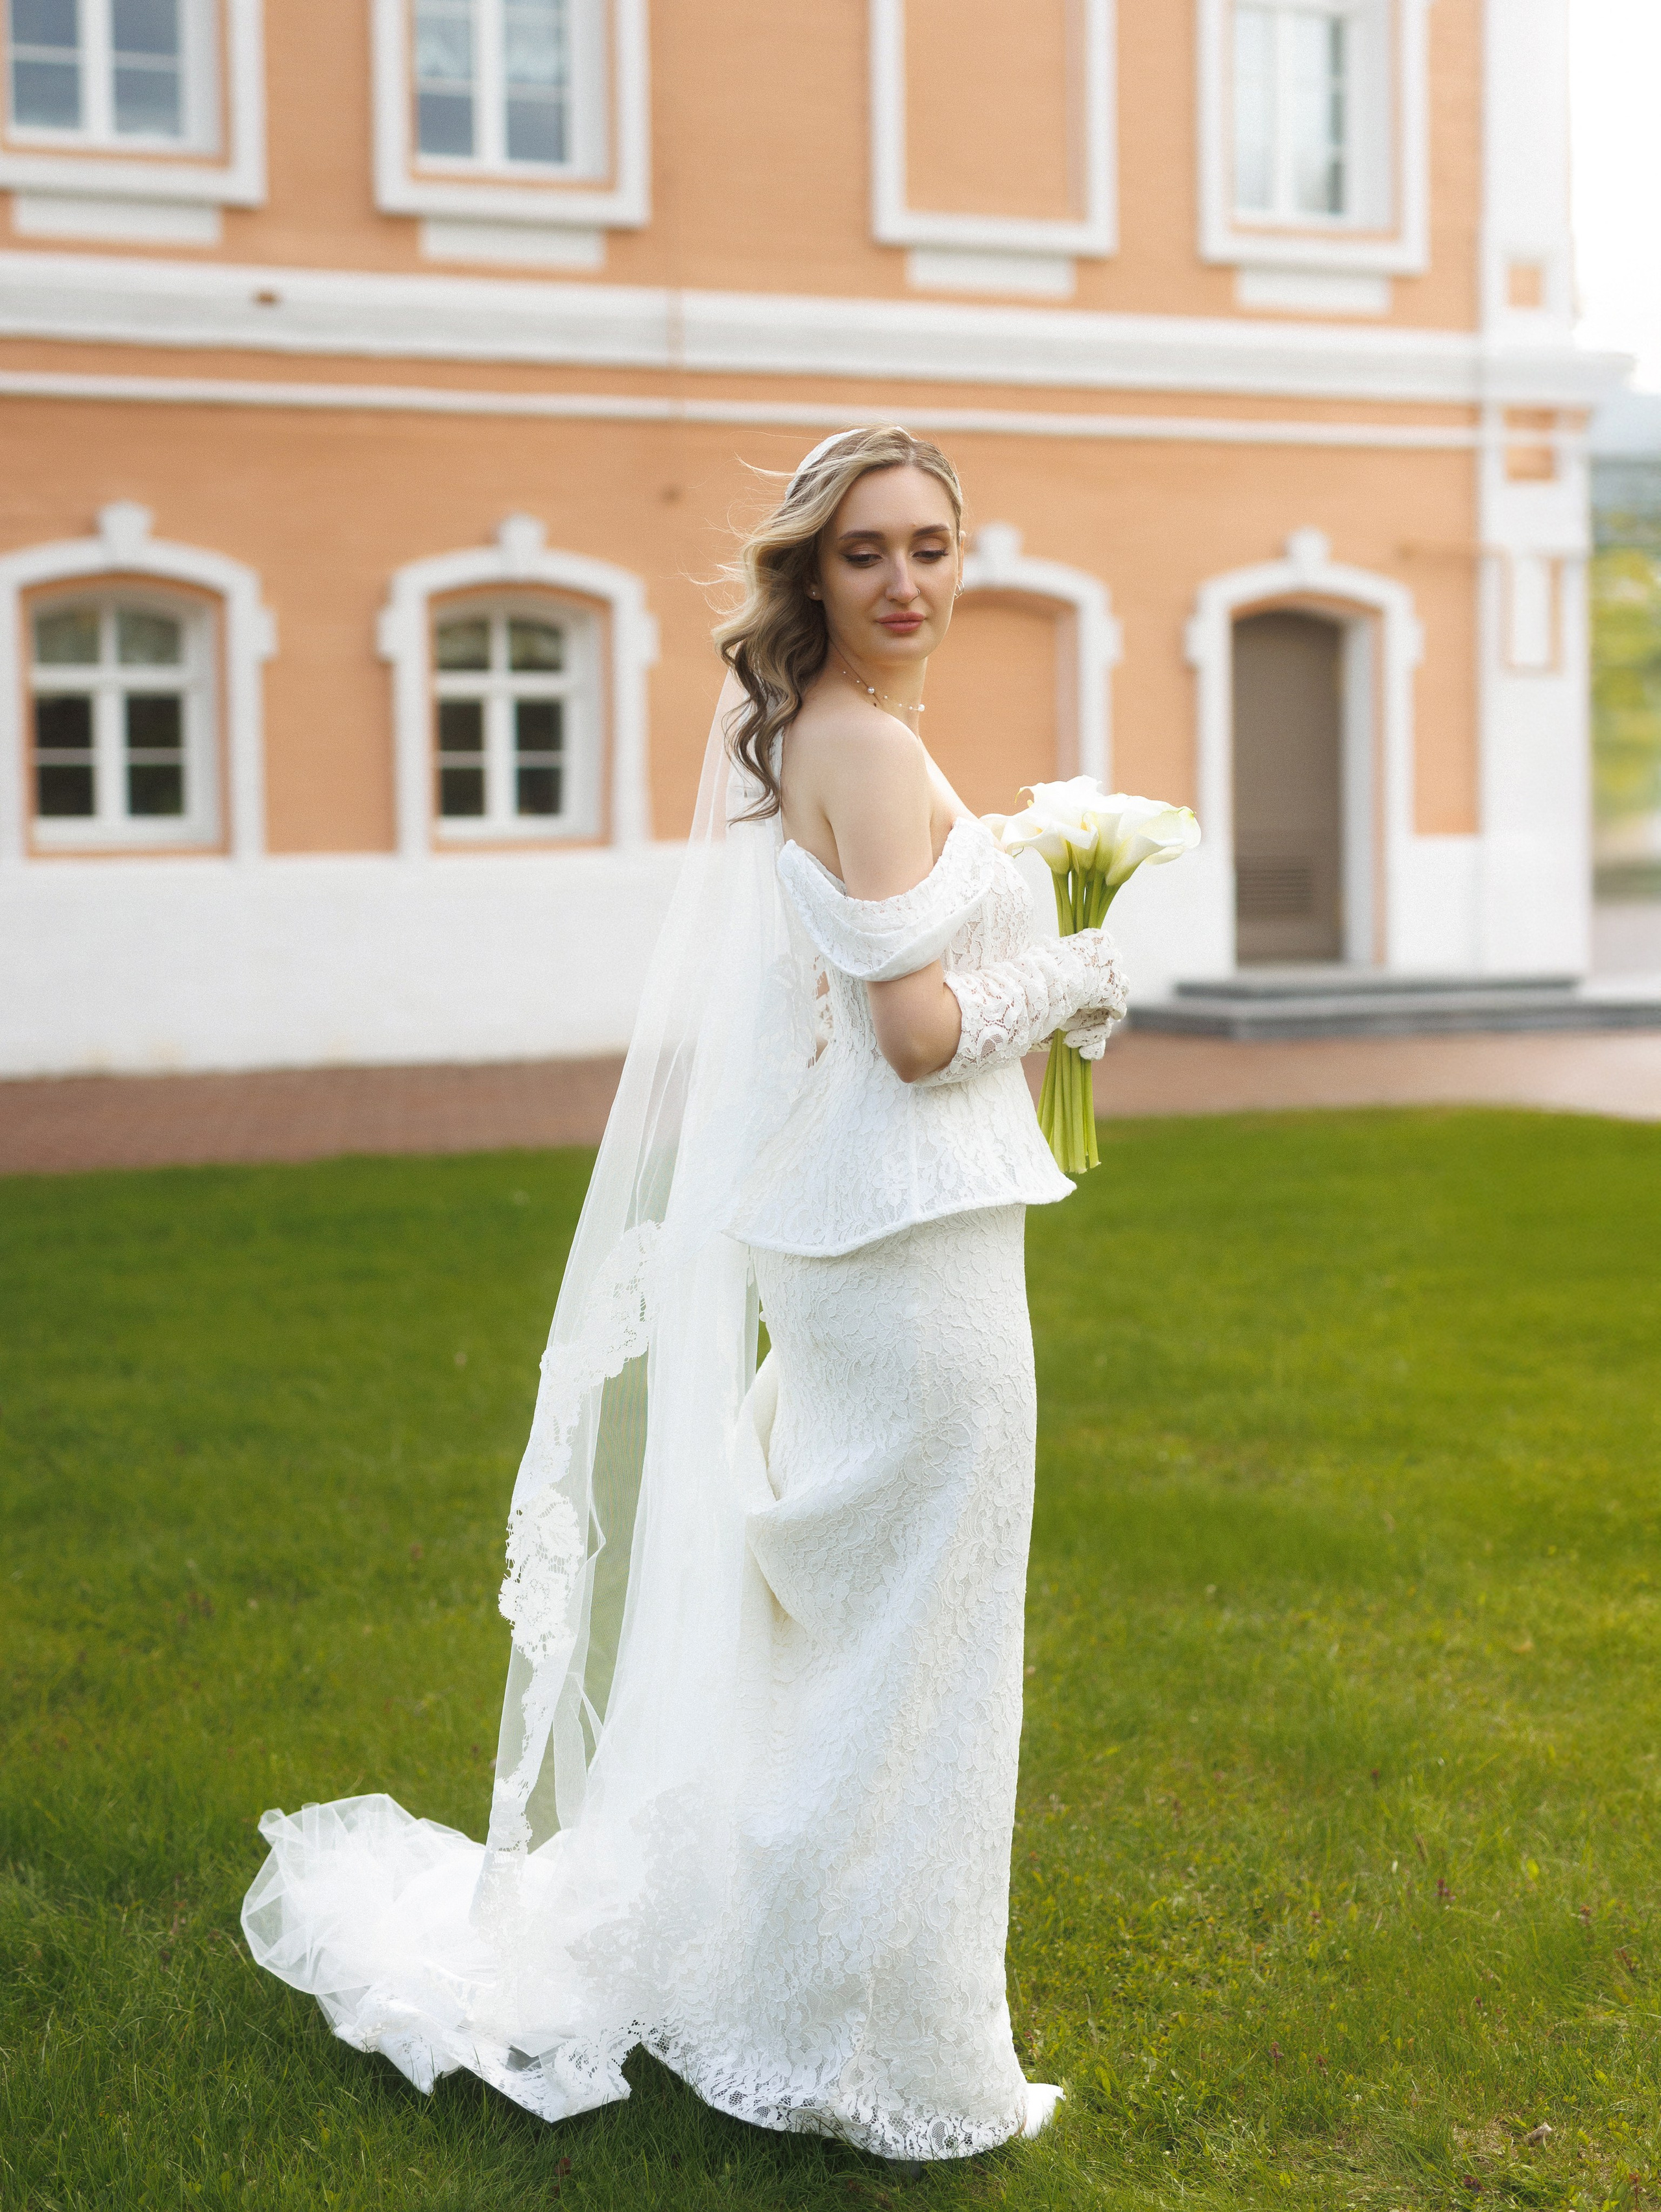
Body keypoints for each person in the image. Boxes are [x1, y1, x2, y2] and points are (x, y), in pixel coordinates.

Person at [242, 427, 1127, 2161]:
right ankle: (878, 2047)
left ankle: (803, 1988)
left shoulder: (817, 730)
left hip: (867, 1227)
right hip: (908, 1251)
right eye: (865, 551)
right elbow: (916, 1032)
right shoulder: (866, 744)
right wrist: (1079, 971)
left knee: (857, 1641)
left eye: (931, 546)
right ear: (814, 572)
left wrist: (1041, 975)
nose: (905, 580)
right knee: (917, 1649)